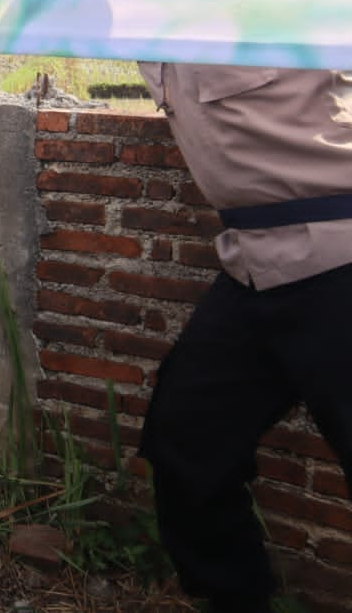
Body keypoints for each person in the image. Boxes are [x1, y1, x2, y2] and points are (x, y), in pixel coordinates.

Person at [137, 63, 352, 612]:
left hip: (341, 252)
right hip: (253, 264)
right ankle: (236, 598)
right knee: (186, 439)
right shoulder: (147, 12)